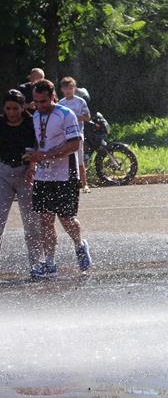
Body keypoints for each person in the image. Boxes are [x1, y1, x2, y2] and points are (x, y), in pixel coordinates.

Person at [26, 79, 92, 277]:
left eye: (44, 102)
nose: (40, 106)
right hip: (43, 175)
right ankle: (50, 263)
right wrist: (32, 163)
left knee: (66, 219)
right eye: (36, 102)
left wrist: (45, 155)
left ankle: (80, 245)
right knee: (45, 220)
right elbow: (38, 145)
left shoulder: (66, 114)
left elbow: (74, 145)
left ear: (53, 97)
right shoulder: (36, 115)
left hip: (65, 174)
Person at [0, 89, 43, 278]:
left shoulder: (31, 123)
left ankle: (37, 264)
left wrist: (33, 165)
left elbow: (39, 146)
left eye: (15, 108)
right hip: (3, 173)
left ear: (22, 107)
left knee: (32, 223)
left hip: (26, 174)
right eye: (8, 108)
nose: (12, 112)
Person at [58, 77, 91, 193]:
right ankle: (65, 186)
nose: (68, 91)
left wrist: (74, 118)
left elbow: (87, 117)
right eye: (66, 88)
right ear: (62, 89)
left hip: (78, 134)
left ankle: (84, 184)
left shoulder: (80, 101)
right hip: (64, 136)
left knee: (79, 160)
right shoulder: (60, 103)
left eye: (71, 88)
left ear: (75, 88)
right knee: (65, 161)